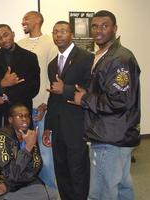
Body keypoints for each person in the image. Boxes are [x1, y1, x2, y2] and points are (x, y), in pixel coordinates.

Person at [69, 10, 141, 200]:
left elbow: (119, 100)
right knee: (121, 188)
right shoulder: (105, 55)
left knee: (101, 193)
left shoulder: (118, 59)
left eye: (104, 26)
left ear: (115, 29)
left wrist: (84, 99)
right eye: (95, 26)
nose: (98, 30)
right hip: (115, 134)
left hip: (110, 137)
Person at [42, 21, 93, 200]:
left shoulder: (87, 57)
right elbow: (53, 97)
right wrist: (48, 126)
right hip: (57, 125)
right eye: (55, 32)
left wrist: (67, 89)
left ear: (71, 33)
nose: (59, 35)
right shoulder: (52, 65)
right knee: (61, 169)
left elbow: (91, 89)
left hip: (77, 124)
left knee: (77, 170)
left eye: (63, 31)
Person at [0, 24, 40, 163]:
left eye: (5, 35)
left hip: (20, 113)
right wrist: (2, 84)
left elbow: (33, 87)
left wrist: (5, 96)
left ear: (13, 34)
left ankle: (20, 184)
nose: (3, 40)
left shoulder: (29, 57)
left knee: (22, 154)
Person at [0, 103, 54, 200]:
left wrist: (8, 186)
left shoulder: (30, 136)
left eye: (27, 116)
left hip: (13, 184)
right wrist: (27, 148)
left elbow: (33, 170)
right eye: (20, 116)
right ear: (10, 120)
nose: (24, 119)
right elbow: (9, 172)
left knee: (50, 194)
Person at [18, 11, 58, 194]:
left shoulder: (50, 43)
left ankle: (50, 191)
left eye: (26, 18)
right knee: (24, 150)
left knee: (45, 152)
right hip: (23, 108)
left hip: (41, 107)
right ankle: (29, 191)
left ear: (38, 20)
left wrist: (45, 103)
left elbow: (53, 76)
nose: (23, 22)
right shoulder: (19, 44)